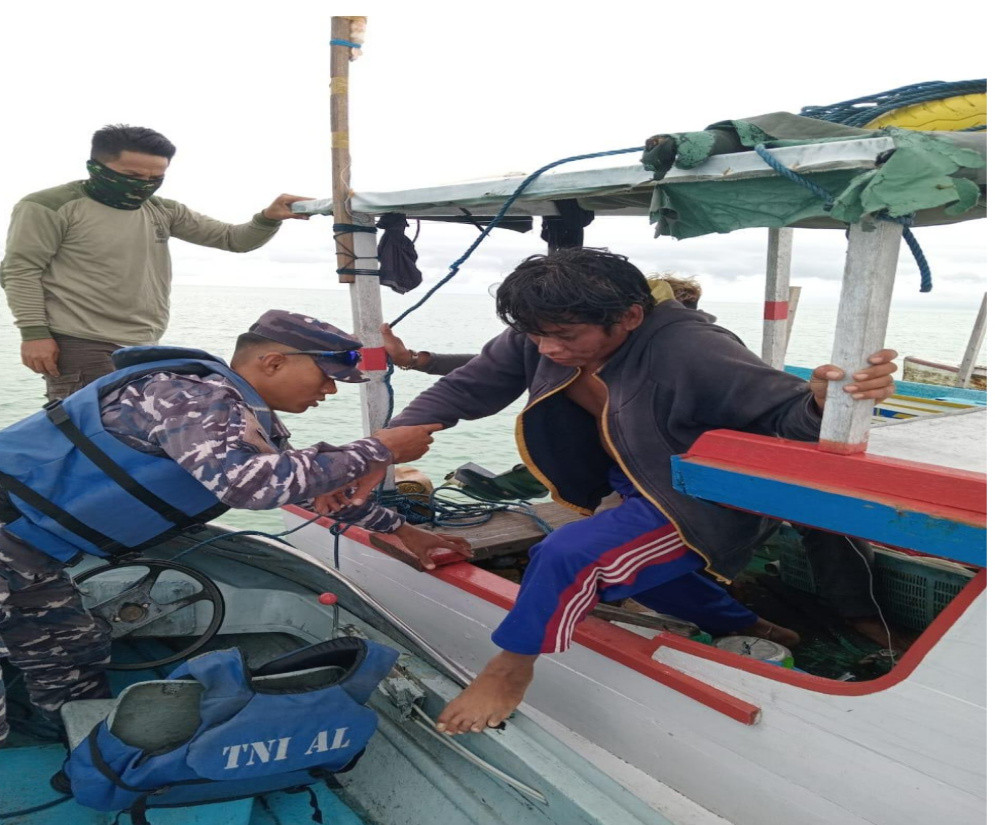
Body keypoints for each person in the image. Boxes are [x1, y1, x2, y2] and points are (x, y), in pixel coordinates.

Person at [385, 248, 897, 735]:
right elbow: (468, 385)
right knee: (634, 571)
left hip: (701, 495)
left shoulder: (693, 348)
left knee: (566, 553)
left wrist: (824, 402)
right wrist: (386, 446)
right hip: (634, 482)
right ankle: (756, 628)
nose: (548, 350)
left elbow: (784, 416)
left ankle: (511, 667)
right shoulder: (541, 336)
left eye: (563, 336)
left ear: (630, 316)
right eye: (536, 336)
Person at [0, 309, 471, 746]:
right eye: (327, 378)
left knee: (70, 651)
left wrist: (401, 530)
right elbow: (248, 487)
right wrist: (378, 449)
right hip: (12, 536)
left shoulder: (236, 420)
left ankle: (75, 744)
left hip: (30, 553)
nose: (329, 392)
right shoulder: (189, 394)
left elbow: (308, 490)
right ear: (271, 362)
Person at [0, 124, 312, 402]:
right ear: (95, 166)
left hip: (143, 344)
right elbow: (20, 270)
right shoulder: (48, 206)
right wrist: (34, 334)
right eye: (132, 176)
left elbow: (234, 239)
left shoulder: (162, 210)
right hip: (80, 343)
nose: (144, 185)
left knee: (128, 436)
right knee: (89, 438)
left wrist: (268, 218)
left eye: (155, 178)